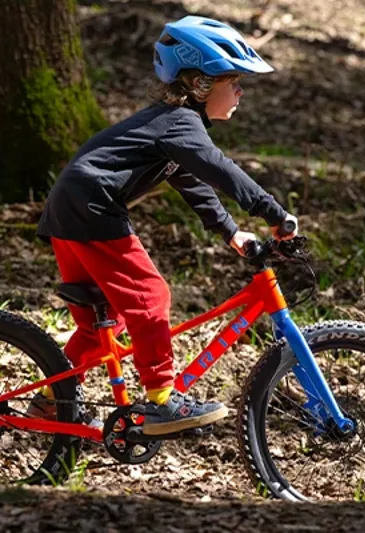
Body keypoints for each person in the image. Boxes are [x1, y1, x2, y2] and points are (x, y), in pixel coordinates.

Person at [30, 15, 298, 436]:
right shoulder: (179, 123)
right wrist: (273, 213)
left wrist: (230, 231)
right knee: (150, 296)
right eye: (235, 82)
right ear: (201, 85)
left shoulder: (169, 123)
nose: (242, 91)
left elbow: (190, 179)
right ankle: (161, 399)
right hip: (91, 208)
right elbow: (220, 170)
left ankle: (52, 401)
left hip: (69, 210)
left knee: (100, 320)